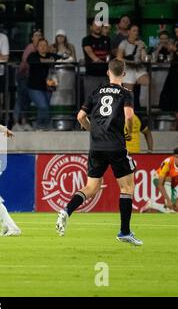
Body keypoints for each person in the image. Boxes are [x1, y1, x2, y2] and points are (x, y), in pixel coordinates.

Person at [56, 58, 143, 246]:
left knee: (91, 187)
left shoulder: (96, 92)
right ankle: (124, 232)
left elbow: (80, 116)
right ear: (124, 73)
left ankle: (66, 211)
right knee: (127, 188)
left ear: (108, 72)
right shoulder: (126, 93)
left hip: (96, 147)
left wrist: (92, 129)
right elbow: (129, 116)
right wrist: (128, 131)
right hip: (116, 145)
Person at [27, 38, 63, 130]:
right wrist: (48, 60)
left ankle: (41, 126)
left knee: (45, 107)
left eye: (45, 45)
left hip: (48, 87)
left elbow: (62, 58)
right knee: (43, 106)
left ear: (48, 47)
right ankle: (44, 125)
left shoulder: (51, 55)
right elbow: (31, 60)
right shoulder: (33, 55)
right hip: (34, 87)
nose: (43, 47)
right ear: (37, 47)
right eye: (40, 45)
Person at [13, 29, 42, 131]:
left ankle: (24, 121)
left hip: (32, 78)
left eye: (40, 35)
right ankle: (16, 122)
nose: (38, 37)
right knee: (21, 99)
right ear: (32, 38)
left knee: (27, 100)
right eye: (36, 35)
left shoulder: (40, 48)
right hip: (24, 76)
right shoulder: (30, 48)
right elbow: (25, 62)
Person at [140, 148, 178, 214]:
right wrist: (168, 200)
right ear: (174, 156)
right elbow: (160, 184)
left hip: (172, 183)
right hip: (158, 179)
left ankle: (152, 205)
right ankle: (167, 208)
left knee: (175, 206)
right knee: (170, 207)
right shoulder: (167, 162)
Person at [82, 21, 111, 101]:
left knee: (106, 100)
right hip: (92, 75)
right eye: (96, 25)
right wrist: (98, 60)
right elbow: (89, 52)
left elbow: (109, 54)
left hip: (105, 75)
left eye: (100, 26)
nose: (98, 27)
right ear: (91, 27)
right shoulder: (86, 40)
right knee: (90, 100)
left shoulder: (107, 39)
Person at [117, 24, 149, 93]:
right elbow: (119, 58)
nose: (136, 33)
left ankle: (135, 82)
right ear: (129, 32)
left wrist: (142, 47)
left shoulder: (141, 42)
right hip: (128, 69)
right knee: (129, 94)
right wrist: (131, 62)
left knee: (148, 81)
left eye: (137, 31)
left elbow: (144, 58)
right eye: (134, 31)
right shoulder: (124, 43)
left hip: (139, 68)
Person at [159, 25, 178, 126]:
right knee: (171, 96)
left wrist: (174, 49)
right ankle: (175, 123)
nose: (177, 34)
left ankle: (175, 125)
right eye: (176, 32)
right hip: (173, 71)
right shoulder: (175, 41)